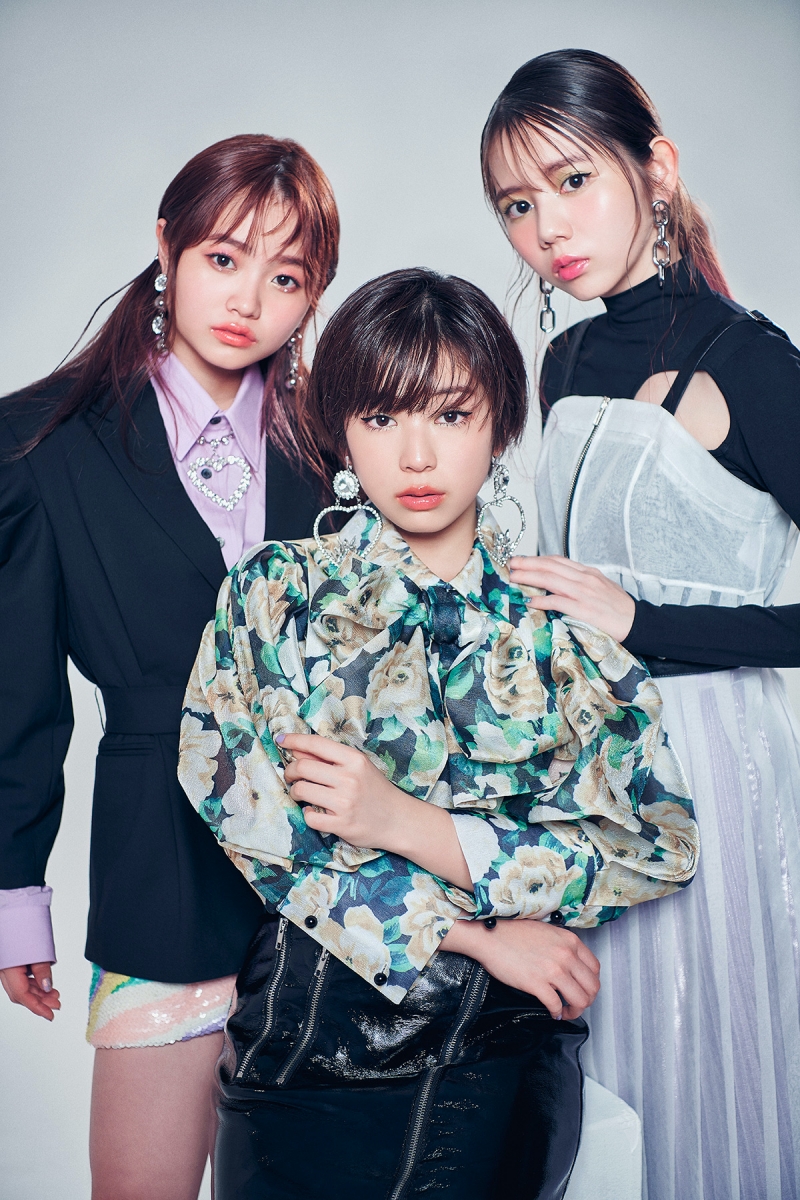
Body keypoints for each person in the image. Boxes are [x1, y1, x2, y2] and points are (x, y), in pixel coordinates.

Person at [178, 267, 699, 1200]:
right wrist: (477, 933)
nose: (417, 456)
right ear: (342, 430)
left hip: (495, 1046)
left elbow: (655, 846)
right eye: (382, 417)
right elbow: (245, 808)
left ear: (501, 426)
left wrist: (411, 825)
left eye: (451, 415)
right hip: (304, 1030)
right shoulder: (277, 591)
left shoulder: (558, 627)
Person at [481, 48, 800, 1200]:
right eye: (516, 205)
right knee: (600, 1084)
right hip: (582, 773)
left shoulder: (747, 360)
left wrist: (640, 619)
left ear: (654, 169)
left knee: (704, 1074)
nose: (545, 229)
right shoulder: (562, 359)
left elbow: (632, 608)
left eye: (571, 182)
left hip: (711, 771)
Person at [0, 133, 339, 1200]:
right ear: (167, 247)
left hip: (343, 875)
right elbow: (18, 702)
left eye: (286, 277)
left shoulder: (340, 444)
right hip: (160, 863)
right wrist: (15, 898)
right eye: (223, 258)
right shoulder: (41, 444)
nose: (247, 300)